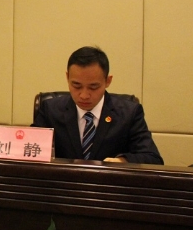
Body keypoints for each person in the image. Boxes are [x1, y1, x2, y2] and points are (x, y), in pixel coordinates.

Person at [32, 46, 163, 164]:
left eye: (93, 87)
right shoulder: (50, 110)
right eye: (76, 85)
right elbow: (27, 151)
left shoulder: (129, 113)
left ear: (108, 81)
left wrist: (122, 161)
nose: (84, 95)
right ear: (67, 77)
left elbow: (153, 158)